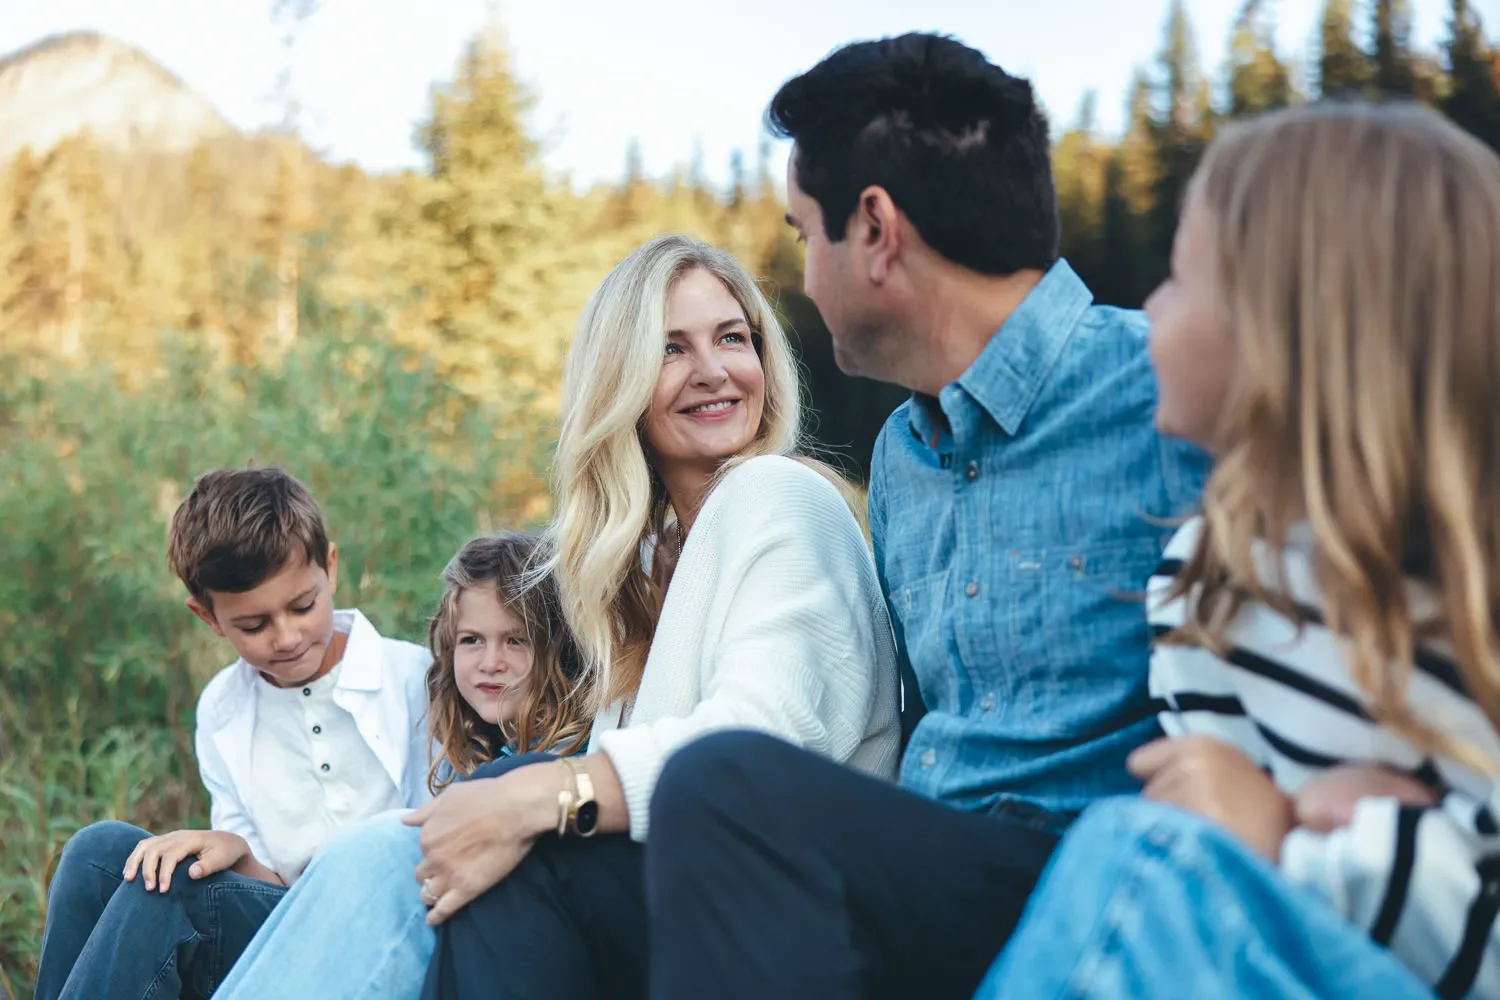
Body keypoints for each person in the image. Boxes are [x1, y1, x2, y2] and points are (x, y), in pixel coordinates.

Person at [640, 32, 1210, 1000]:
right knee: (548, 866)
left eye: (803, 234)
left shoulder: (1174, 388)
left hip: (1104, 882)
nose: (805, 278)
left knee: (721, 782)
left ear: (875, 230)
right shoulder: (904, 454)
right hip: (938, 875)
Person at [212, 233, 900, 1000]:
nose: (714, 371)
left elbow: (755, 743)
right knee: (447, 843)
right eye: (670, 349)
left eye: (732, 338)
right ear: (622, 381)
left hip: (787, 926)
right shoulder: (646, 565)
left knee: (432, 844)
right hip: (683, 905)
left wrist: (535, 795)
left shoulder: (779, 495)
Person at [974, 100, 1500, 1000]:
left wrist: (1299, 835)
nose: (1149, 305)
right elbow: (1222, 848)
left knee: (1133, 858)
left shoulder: (1467, 588)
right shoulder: (1203, 584)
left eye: (1179, 276)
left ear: (1285, 330)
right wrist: (1289, 823)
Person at [33, 467, 434, 1000]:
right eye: (254, 625)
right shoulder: (223, 709)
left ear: (330, 568)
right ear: (209, 618)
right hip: (277, 927)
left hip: (387, 934)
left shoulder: (415, 679)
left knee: (172, 889)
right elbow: (255, 892)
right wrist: (237, 852)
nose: (287, 637)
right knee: (96, 852)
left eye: (303, 606)